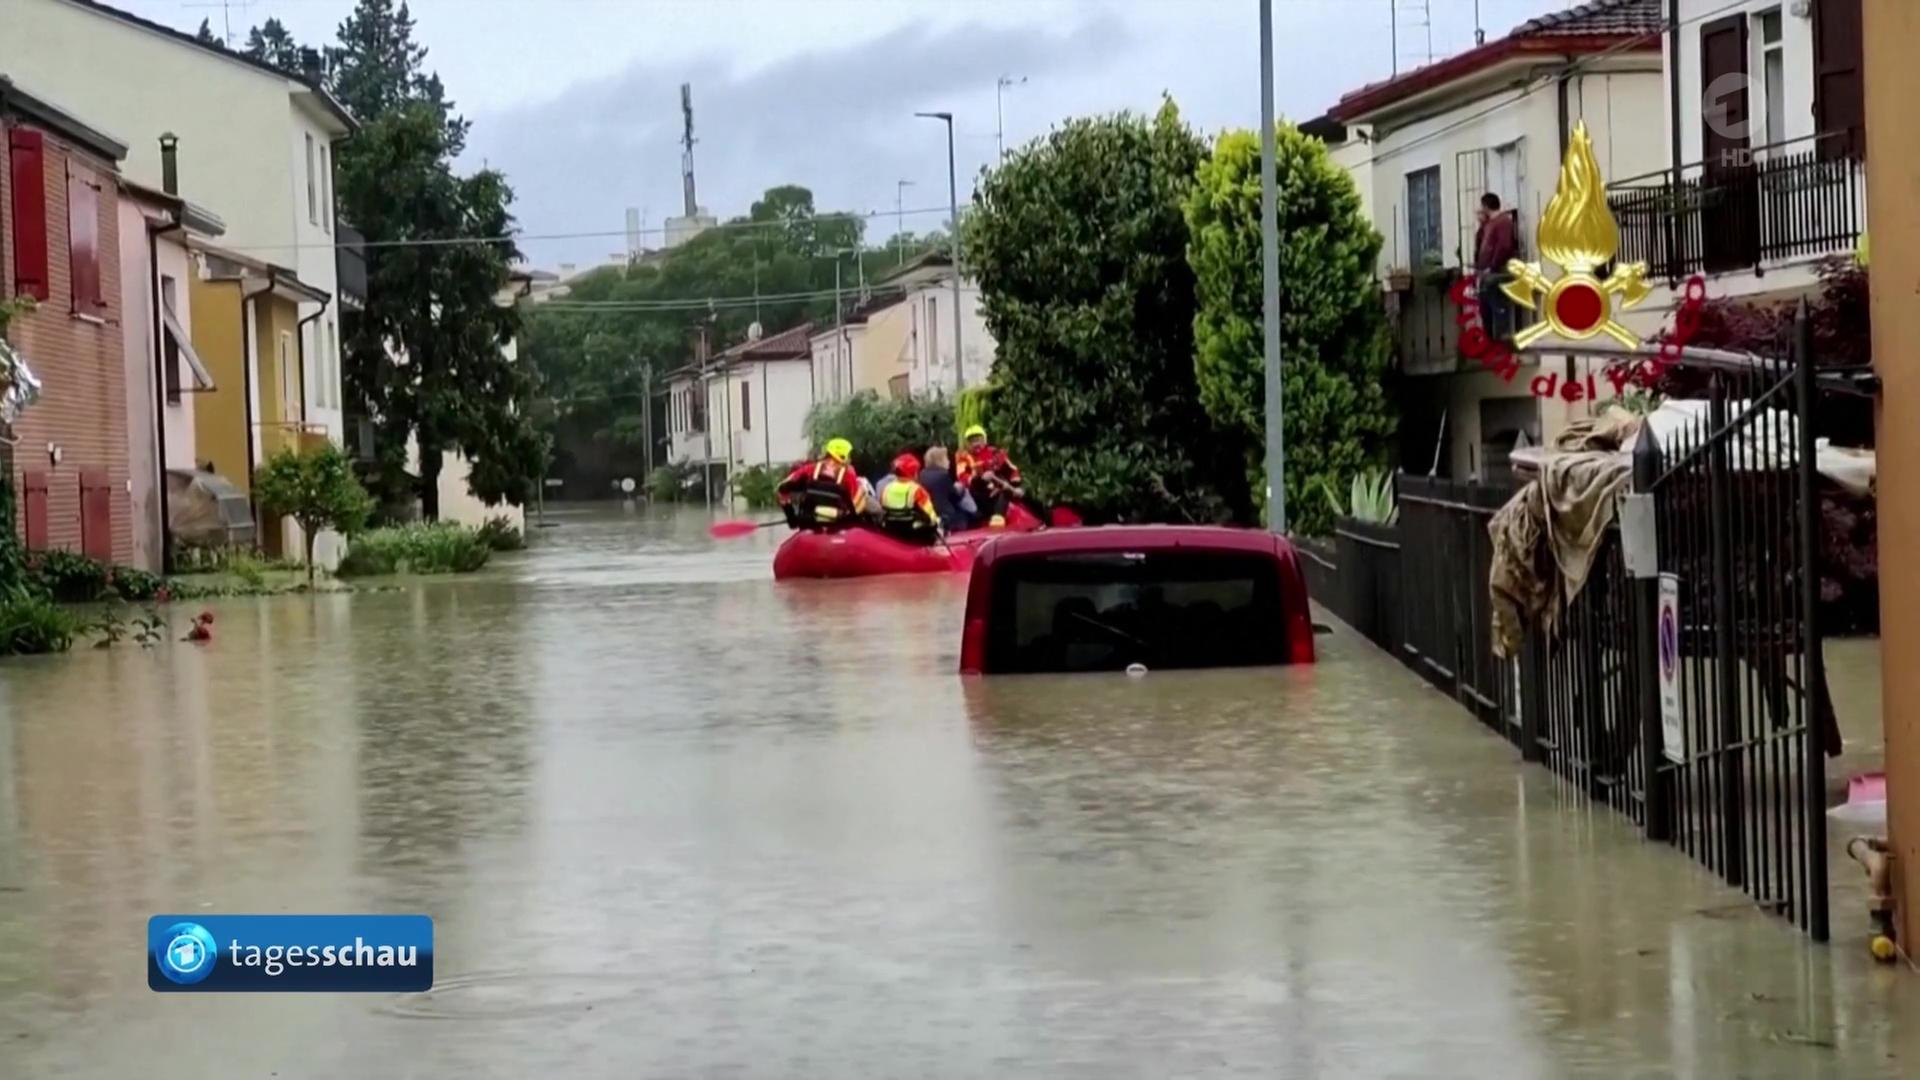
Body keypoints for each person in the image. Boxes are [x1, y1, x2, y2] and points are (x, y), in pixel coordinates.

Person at [776, 437, 865, 529]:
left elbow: (781, 488)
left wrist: (791, 516)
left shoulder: (809, 469)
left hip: (810, 520)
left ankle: (794, 523)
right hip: (839, 522)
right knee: (862, 490)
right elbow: (853, 499)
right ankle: (857, 527)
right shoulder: (849, 474)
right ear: (842, 455)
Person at [955, 424, 1023, 527]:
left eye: (978, 440)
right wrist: (979, 479)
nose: (975, 444)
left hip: (998, 489)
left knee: (1004, 486)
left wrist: (1015, 485)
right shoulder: (963, 457)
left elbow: (1012, 470)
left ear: (984, 440)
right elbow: (961, 476)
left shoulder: (996, 453)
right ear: (967, 443)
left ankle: (998, 517)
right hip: (976, 493)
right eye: (972, 441)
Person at [1474, 192, 1519, 339]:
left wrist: (1492, 266)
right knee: (1485, 309)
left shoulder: (1503, 222)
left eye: (1482, 206)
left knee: (1498, 307)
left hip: (1497, 272)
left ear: (1486, 206)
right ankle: (1491, 342)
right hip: (1487, 273)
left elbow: (1504, 247)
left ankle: (1501, 344)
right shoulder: (1490, 224)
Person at [877, 453, 940, 545]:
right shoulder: (917, 490)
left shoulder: (886, 488)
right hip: (912, 532)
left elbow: (883, 509)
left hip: (891, 530)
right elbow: (931, 517)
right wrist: (936, 522)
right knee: (934, 523)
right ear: (913, 472)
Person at [920, 446, 975, 531]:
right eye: (946, 459)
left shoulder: (922, 474)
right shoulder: (943, 475)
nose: (949, 462)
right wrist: (960, 489)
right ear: (940, 461)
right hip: (945, 515)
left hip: (928, 514)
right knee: (966, 509)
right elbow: (954, 497)